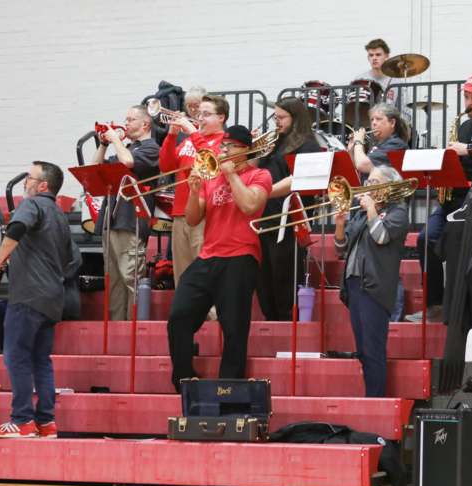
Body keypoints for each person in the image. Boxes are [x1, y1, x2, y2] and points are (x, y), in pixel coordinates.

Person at [167, 125, 271, 391]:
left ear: (245, 150)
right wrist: (192, 191)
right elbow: (192, 219)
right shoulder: (211, 178)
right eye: (223, 146)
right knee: (179, 316)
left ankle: (229, 387)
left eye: (231, 147)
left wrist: (232, 176)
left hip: (241, 257)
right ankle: (183, 378)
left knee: (234, 328)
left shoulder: (260, 175)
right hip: (208, 256)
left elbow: (250, 205)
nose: (224, 151)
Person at [406, 74, 472, 322]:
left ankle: (459, 308)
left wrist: (467, 149)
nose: (469, 102)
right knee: (425, 240)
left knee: (456, 249)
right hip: (452, 198)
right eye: (467, 96)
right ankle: (435, 303)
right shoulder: (464, 126)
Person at [0, 161, 73, 439]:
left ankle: (21, 420)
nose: (26, 182)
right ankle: (46, 423)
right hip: (52, 298)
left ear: (42, 185)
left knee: (17, 358)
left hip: (28, 295)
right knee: (40, 360)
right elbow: (71, 259)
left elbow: (17, 228)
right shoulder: (59, 216)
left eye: (29, 177)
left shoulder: (31, 205)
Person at [334, 165, 409, 397]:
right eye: (368, 182)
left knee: (373, 350)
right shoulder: (361, 212)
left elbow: (381, 236)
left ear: (389, 186)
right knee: (363, 351)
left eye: (374, 181)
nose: (367, 186)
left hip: (375, 287)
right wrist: (339, 223)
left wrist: (371, 210)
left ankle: (375, 400)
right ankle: (371, 397)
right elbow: (341, 249)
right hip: (355, 285)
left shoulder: (398, 212)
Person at [255, 97, 319, 321]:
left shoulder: (308, 145)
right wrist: (256, 152)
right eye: (275, 117)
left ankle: (285, 325)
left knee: (285, 279)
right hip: (265, 217)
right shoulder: (275, 142)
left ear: (296, 117)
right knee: (264, 281)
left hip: (289, 221)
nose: (277, 122)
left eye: (281, 117)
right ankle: (271, 322)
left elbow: (299, 179)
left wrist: (264, 192)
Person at [92, 105, 159, 320]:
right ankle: (116, 329)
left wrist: (116, 141)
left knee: (131, 279)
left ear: (145, 124)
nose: (126, 123)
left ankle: (136, 328)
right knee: (114, 283)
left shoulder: (151, 148)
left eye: (131, 119)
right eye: (126, 119)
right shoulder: (126, 148)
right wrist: (103, 145)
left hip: (131, 223)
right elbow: (94, 169)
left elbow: (129, 162)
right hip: (110, 221)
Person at [159, 94, 227, 287]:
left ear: (221, 117)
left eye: (206, 114)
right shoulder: (189, 141)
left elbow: (211, 161)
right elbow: (166, 165)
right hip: (180, 213)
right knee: (182, 275)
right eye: (198, 114)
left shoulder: (224, 141)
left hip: (205, 215)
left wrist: (191, 131)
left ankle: (213, 317)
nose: (199, 118)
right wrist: (172, 134)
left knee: (205, 272)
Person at [349, 102, 410, 179]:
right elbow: (360, 170)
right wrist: (352, 150)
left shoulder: (395, 144)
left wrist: (358, 142)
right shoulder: (378, 145)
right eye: (372, 120)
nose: (374, 123)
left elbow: (362, 165)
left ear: (392, 123)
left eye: (378, 119)